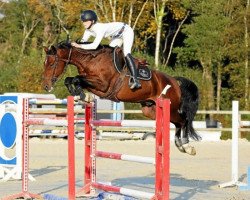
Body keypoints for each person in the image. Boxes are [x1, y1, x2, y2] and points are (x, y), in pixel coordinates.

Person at [71, 10, 141, 89]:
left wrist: (79, 46)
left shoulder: (99, 28)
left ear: (93, 21)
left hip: (126, 31)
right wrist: (72, 45)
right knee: (110, 52)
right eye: (83, 21)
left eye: (86, 21)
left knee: (126, 53)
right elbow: (82, 42)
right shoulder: (88, 31)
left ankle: (135, 79)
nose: (84, 23)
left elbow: (94, 46)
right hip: (116, 36)